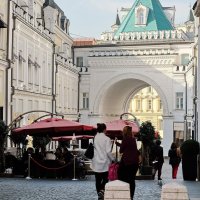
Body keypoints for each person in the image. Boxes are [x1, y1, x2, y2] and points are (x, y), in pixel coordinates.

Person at [115, 126, 139, 200]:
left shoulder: (125, 139)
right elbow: (127, 147)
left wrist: (117, 143)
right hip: (135, 163)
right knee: (132, 179)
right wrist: (119, 144)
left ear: (124, 132)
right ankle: (131, 196)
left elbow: (121, 150)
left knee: (121, 176)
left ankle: (124, 192)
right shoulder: (133, 139)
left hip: (127, 163)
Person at [92, 123, 114, 200]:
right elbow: (108, 152)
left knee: (97, 180)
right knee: (105, 179)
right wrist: (113, 159)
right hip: (105, 162)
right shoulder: (107, 139)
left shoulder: (95, 137)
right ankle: (102, 191)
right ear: (104, 129)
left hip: (96, 162)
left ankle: (99, 193)